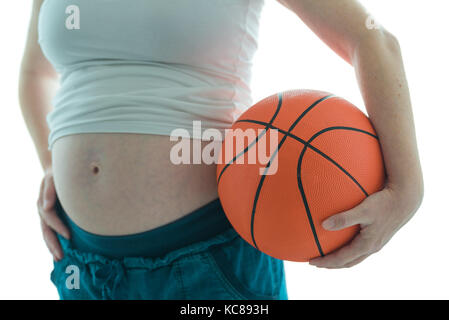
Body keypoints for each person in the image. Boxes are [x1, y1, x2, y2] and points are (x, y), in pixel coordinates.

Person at [19, 0, 423, 300]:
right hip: (86, 265)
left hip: (210, 260)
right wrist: (51, 162)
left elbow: (370, 38)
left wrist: (406, 189)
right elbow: (35, 73)